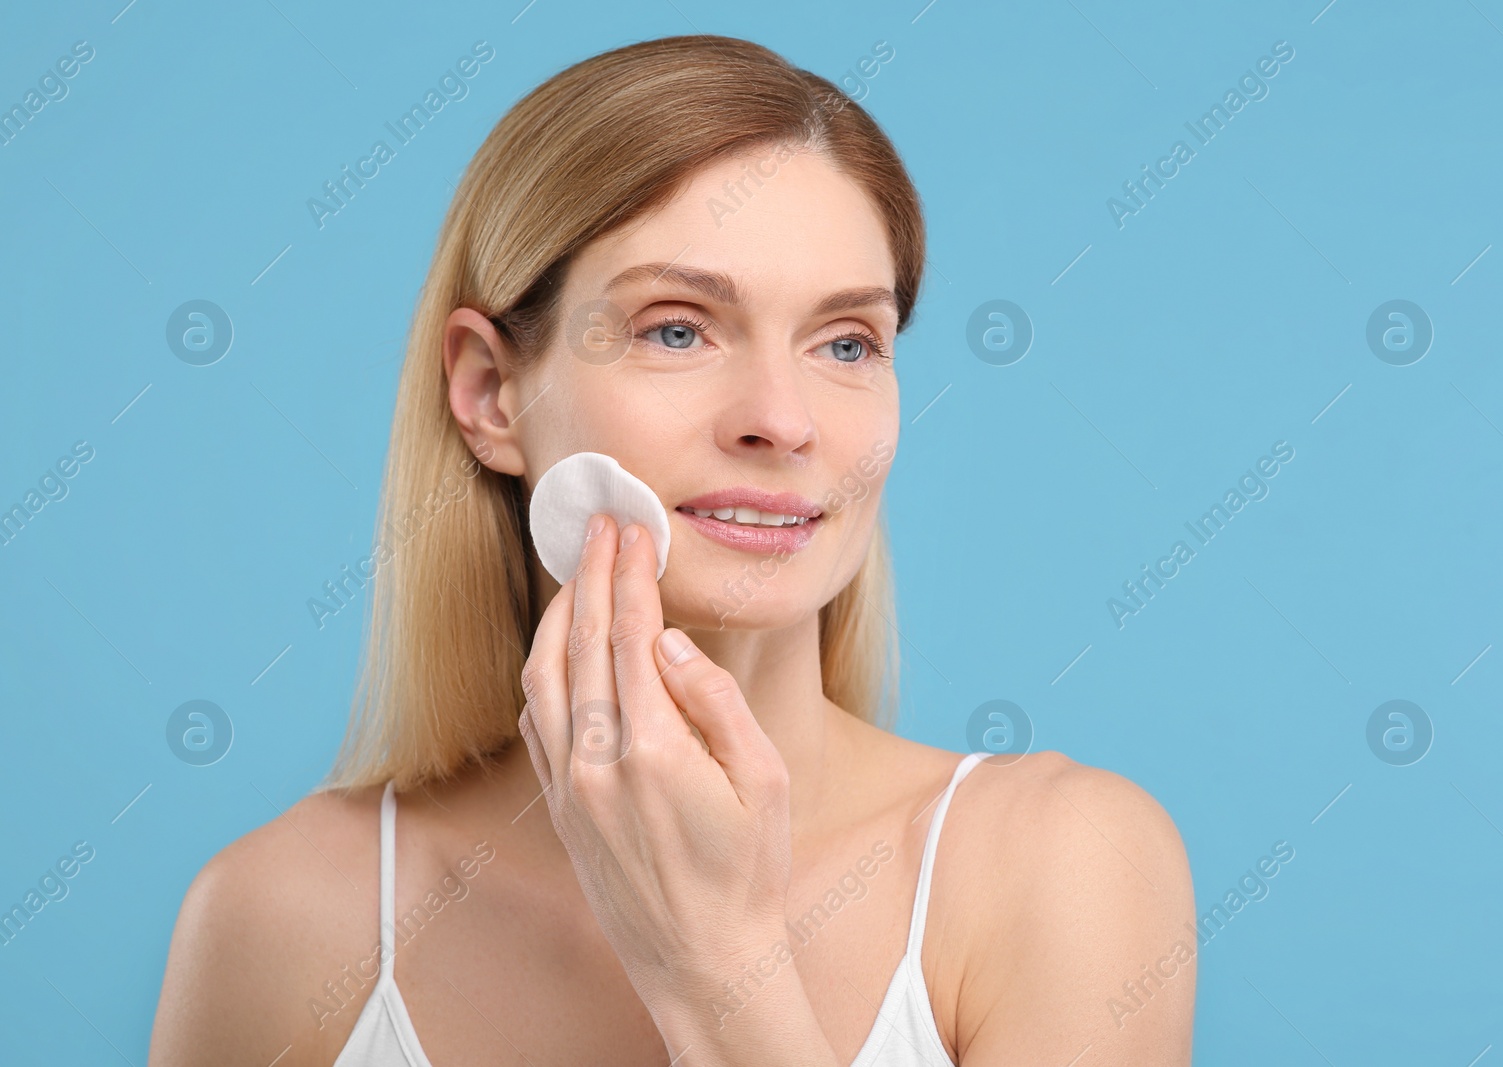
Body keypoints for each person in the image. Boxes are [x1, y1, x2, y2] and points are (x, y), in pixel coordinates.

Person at [149, 34, 1194, 1066]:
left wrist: (713, 965)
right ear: (489, 393)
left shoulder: (1058, 864)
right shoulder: (279, 915)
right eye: (677, 329)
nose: (782, 421)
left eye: (846, 342)